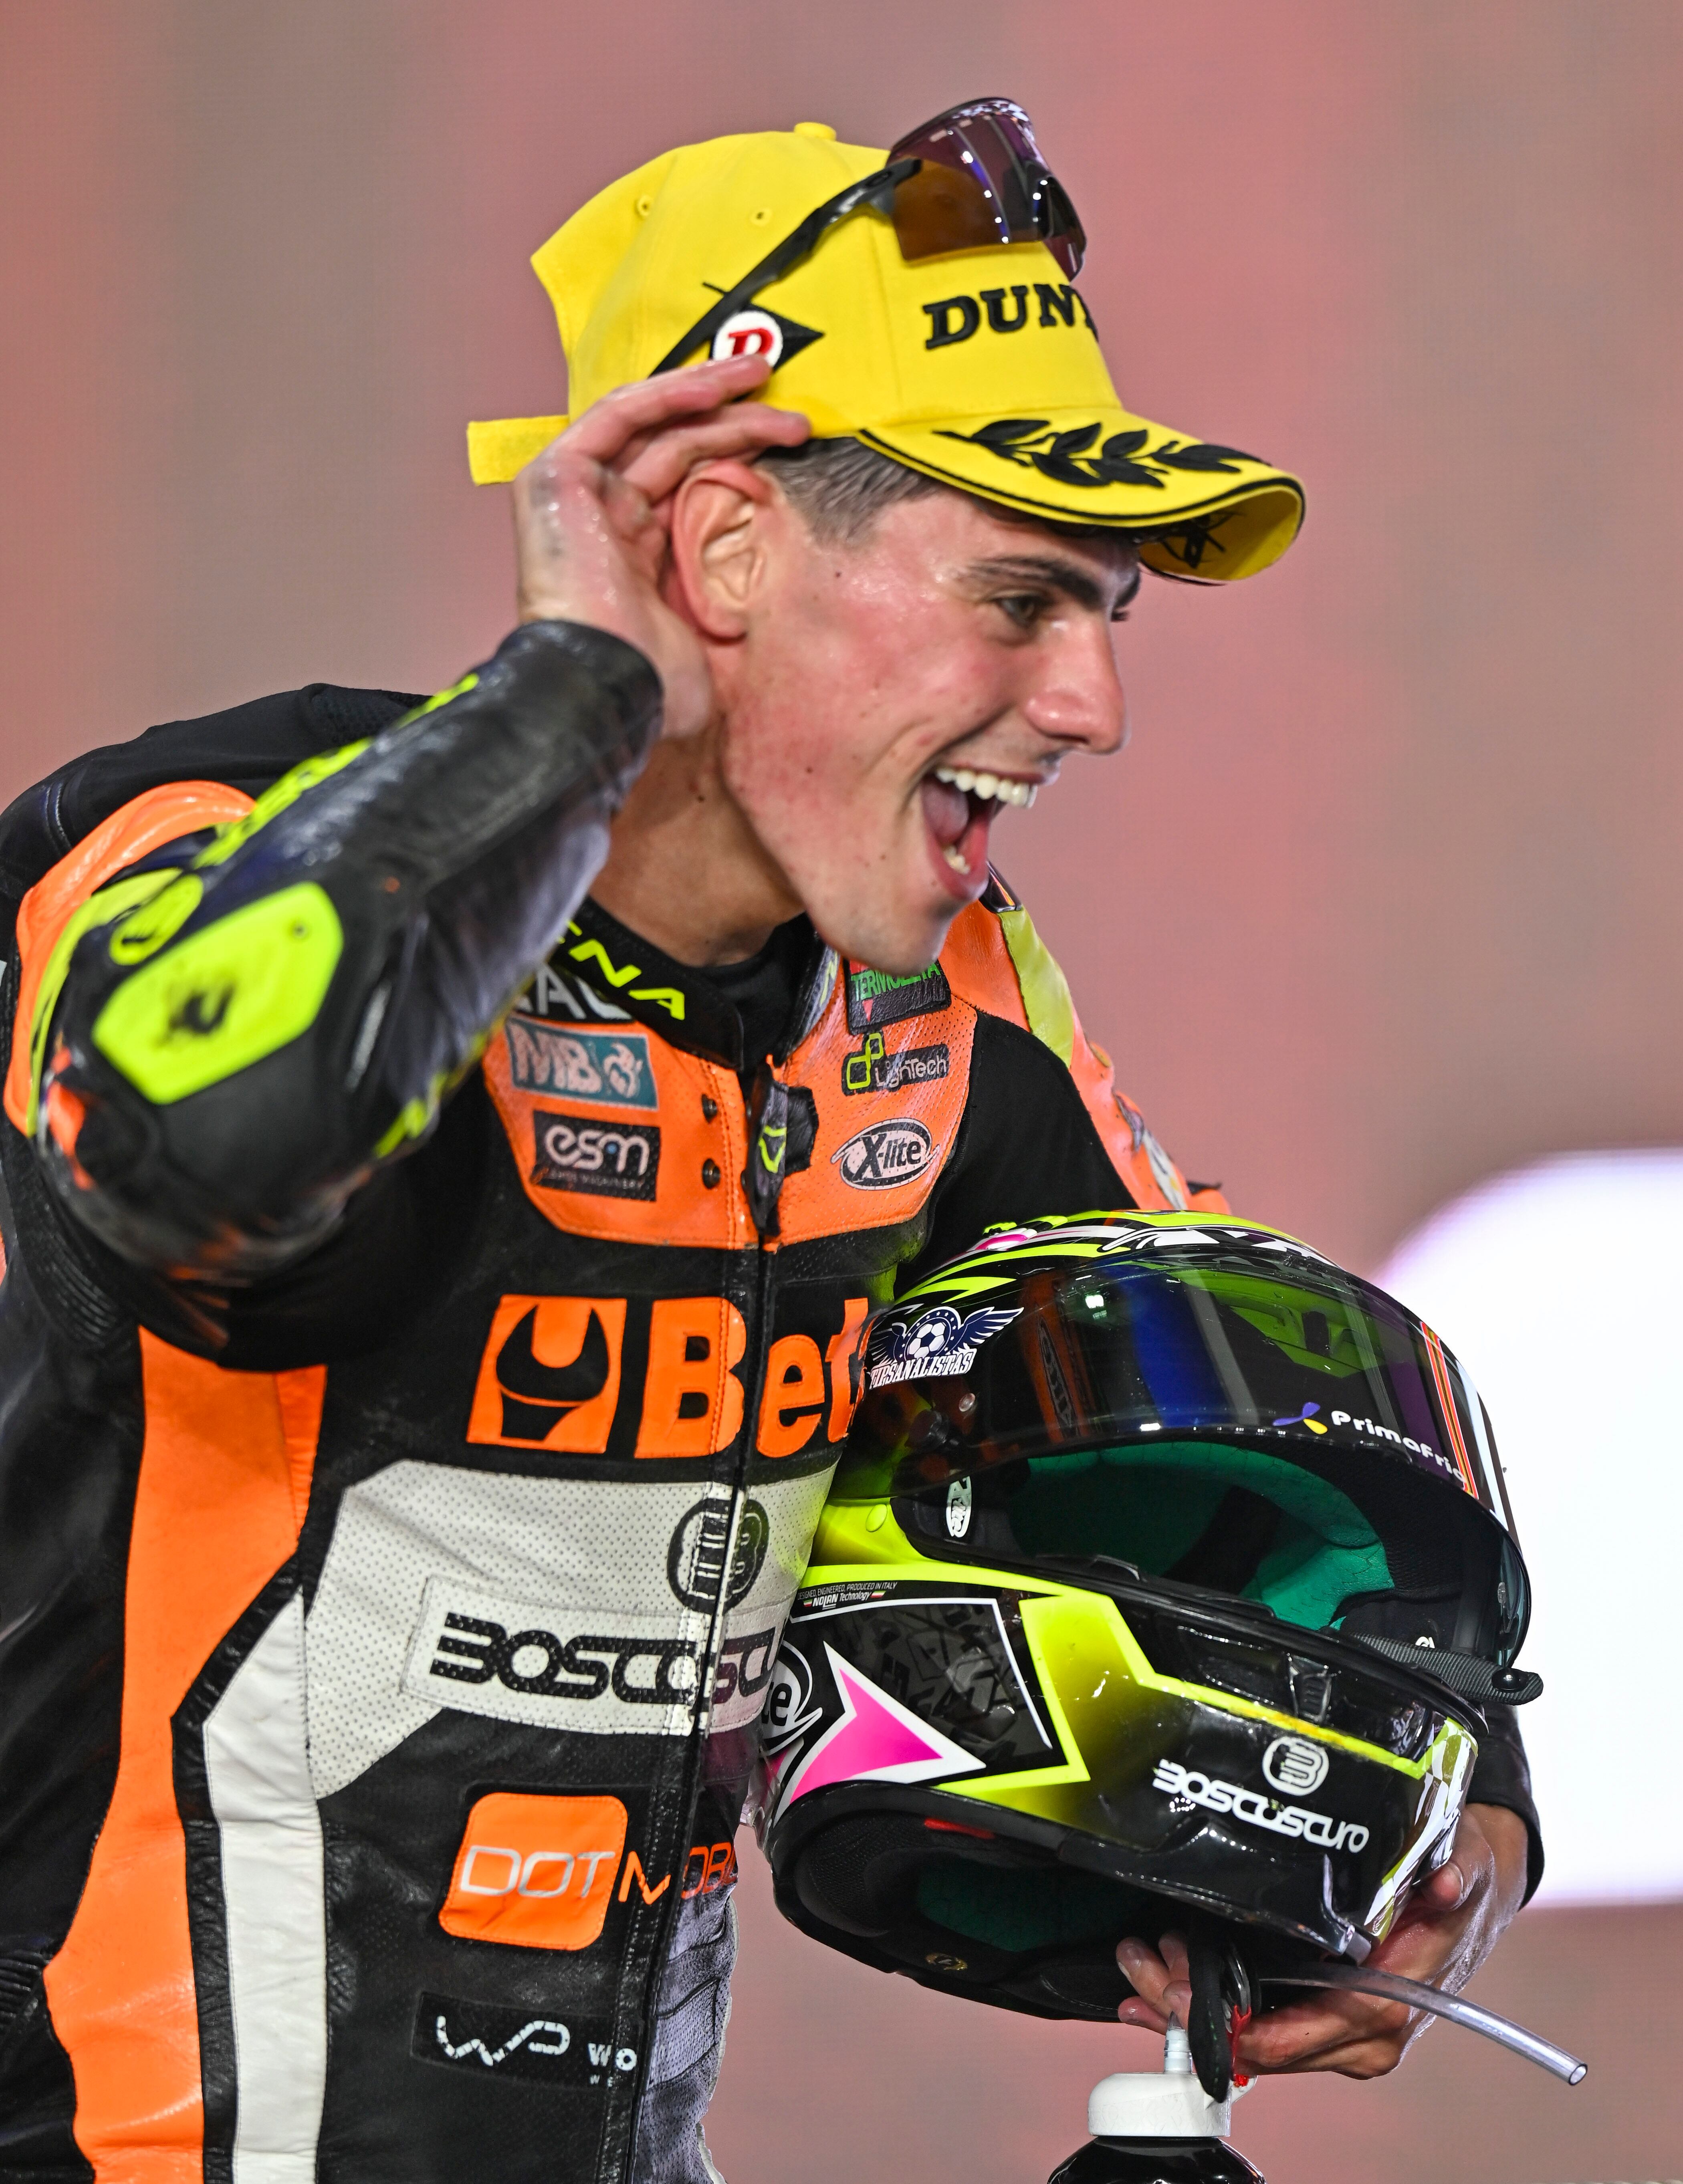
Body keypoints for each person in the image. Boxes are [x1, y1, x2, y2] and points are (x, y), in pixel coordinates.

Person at [0, 105, 1536, 2183]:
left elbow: (1214, 1465)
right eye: (1019, 599)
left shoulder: (949, 991)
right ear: (717, 547)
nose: (1088, 705)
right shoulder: (197, 844)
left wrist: (1453, 1819)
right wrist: (566, 696)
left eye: (1109, 618)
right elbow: (205, 1153)